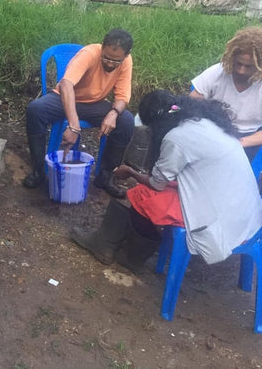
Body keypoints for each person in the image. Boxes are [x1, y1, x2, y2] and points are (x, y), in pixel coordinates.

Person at [71, 91, 262, 273]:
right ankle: (125, 250)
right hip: (245, 214)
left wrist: (129, 172)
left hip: (219, 222)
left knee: (143, 194)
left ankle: (120, 252)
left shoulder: (176, 138)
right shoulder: (204, 122)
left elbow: (156, 183)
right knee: (156, 191)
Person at [23, 29, 135, 198]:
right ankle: (39, 171)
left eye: (116, 61)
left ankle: (105, 177)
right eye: (106, 57)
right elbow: (66, 85)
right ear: (102, 47)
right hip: (65, 98)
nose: (110, 63)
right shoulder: (90, 53)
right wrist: (74, 125)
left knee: (126, 120)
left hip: (95, 104)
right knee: (35, 110)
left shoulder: (126, 62)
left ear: (125, 56)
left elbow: (122, 97)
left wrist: (113, 113)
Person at [190, 27, 262, 161]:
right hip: (212, 131)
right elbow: (191, 104)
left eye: (248, 66)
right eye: (238, 63)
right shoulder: (217, 73)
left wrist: (239, 143)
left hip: (248, 139)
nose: (241, 70)